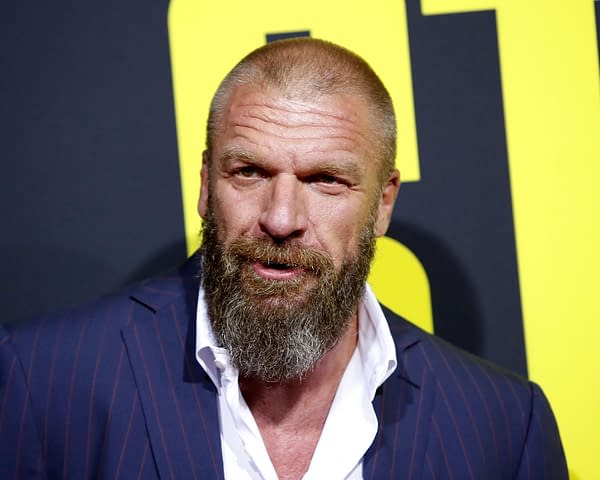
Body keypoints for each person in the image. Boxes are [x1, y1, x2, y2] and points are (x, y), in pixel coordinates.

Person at [0, 38, 567, 479]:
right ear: (206, 184)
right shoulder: (44, 377)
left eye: (325, 180)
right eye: (249, 172)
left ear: (382, 202)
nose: (280, 218)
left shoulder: (501, 425)